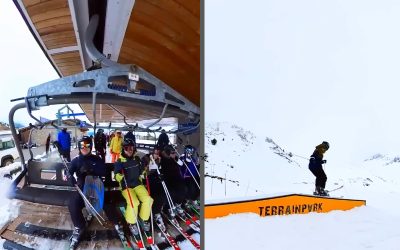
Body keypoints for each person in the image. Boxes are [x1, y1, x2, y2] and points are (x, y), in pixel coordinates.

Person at [67, 136, 106, 248]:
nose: (84, 148)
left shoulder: (96, 159)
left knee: (97, 202)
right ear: (79, 147)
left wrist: (91, 170)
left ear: (91, 147)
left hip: (94, 185)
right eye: (82, 146)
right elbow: (69, 171)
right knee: (73, 204)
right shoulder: (76, 160)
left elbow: (103, 171)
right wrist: (70, 177)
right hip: (82, 185)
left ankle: (92, 212)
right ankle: (79, 226)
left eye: (87, 145)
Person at [114, 138, 153, 236]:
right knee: (134, 202)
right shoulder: (119, 161)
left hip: (137, 184)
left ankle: (143, 218)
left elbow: (141, 171)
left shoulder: (137, 159)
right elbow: (116, 176)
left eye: (131, 148)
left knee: (148, 200)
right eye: (127, 148)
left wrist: (144, 173)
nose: (130, 150)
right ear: (123, 149)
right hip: (126, 187)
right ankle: (131, 222)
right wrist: (119, 176)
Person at [179, 145, 200, 210]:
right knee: (191, 187)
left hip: (194, 176)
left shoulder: (192, 158)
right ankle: (187, 200)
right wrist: (185, 161)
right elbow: (180, 166)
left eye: (191, 151)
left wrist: (197, 166)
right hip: (186, 176)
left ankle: (194, 200)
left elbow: (194, 166)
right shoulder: (182, 157)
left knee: (198, 187)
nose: (191, 153)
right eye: (189, 151)